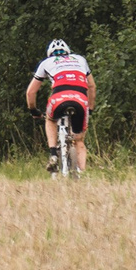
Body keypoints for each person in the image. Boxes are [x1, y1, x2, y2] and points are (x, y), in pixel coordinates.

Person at [24, 38, 93, 176]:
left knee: (50, 120)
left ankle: (53, 154)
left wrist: (34, 110)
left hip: (58, 98)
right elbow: (91, 86)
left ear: (50, 54)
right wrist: (90, 109)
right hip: (81, 99)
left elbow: (30, 92)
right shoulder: (80, 59)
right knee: (78, 140)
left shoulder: (46, 63)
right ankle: (82, 174)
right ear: (68, 52)